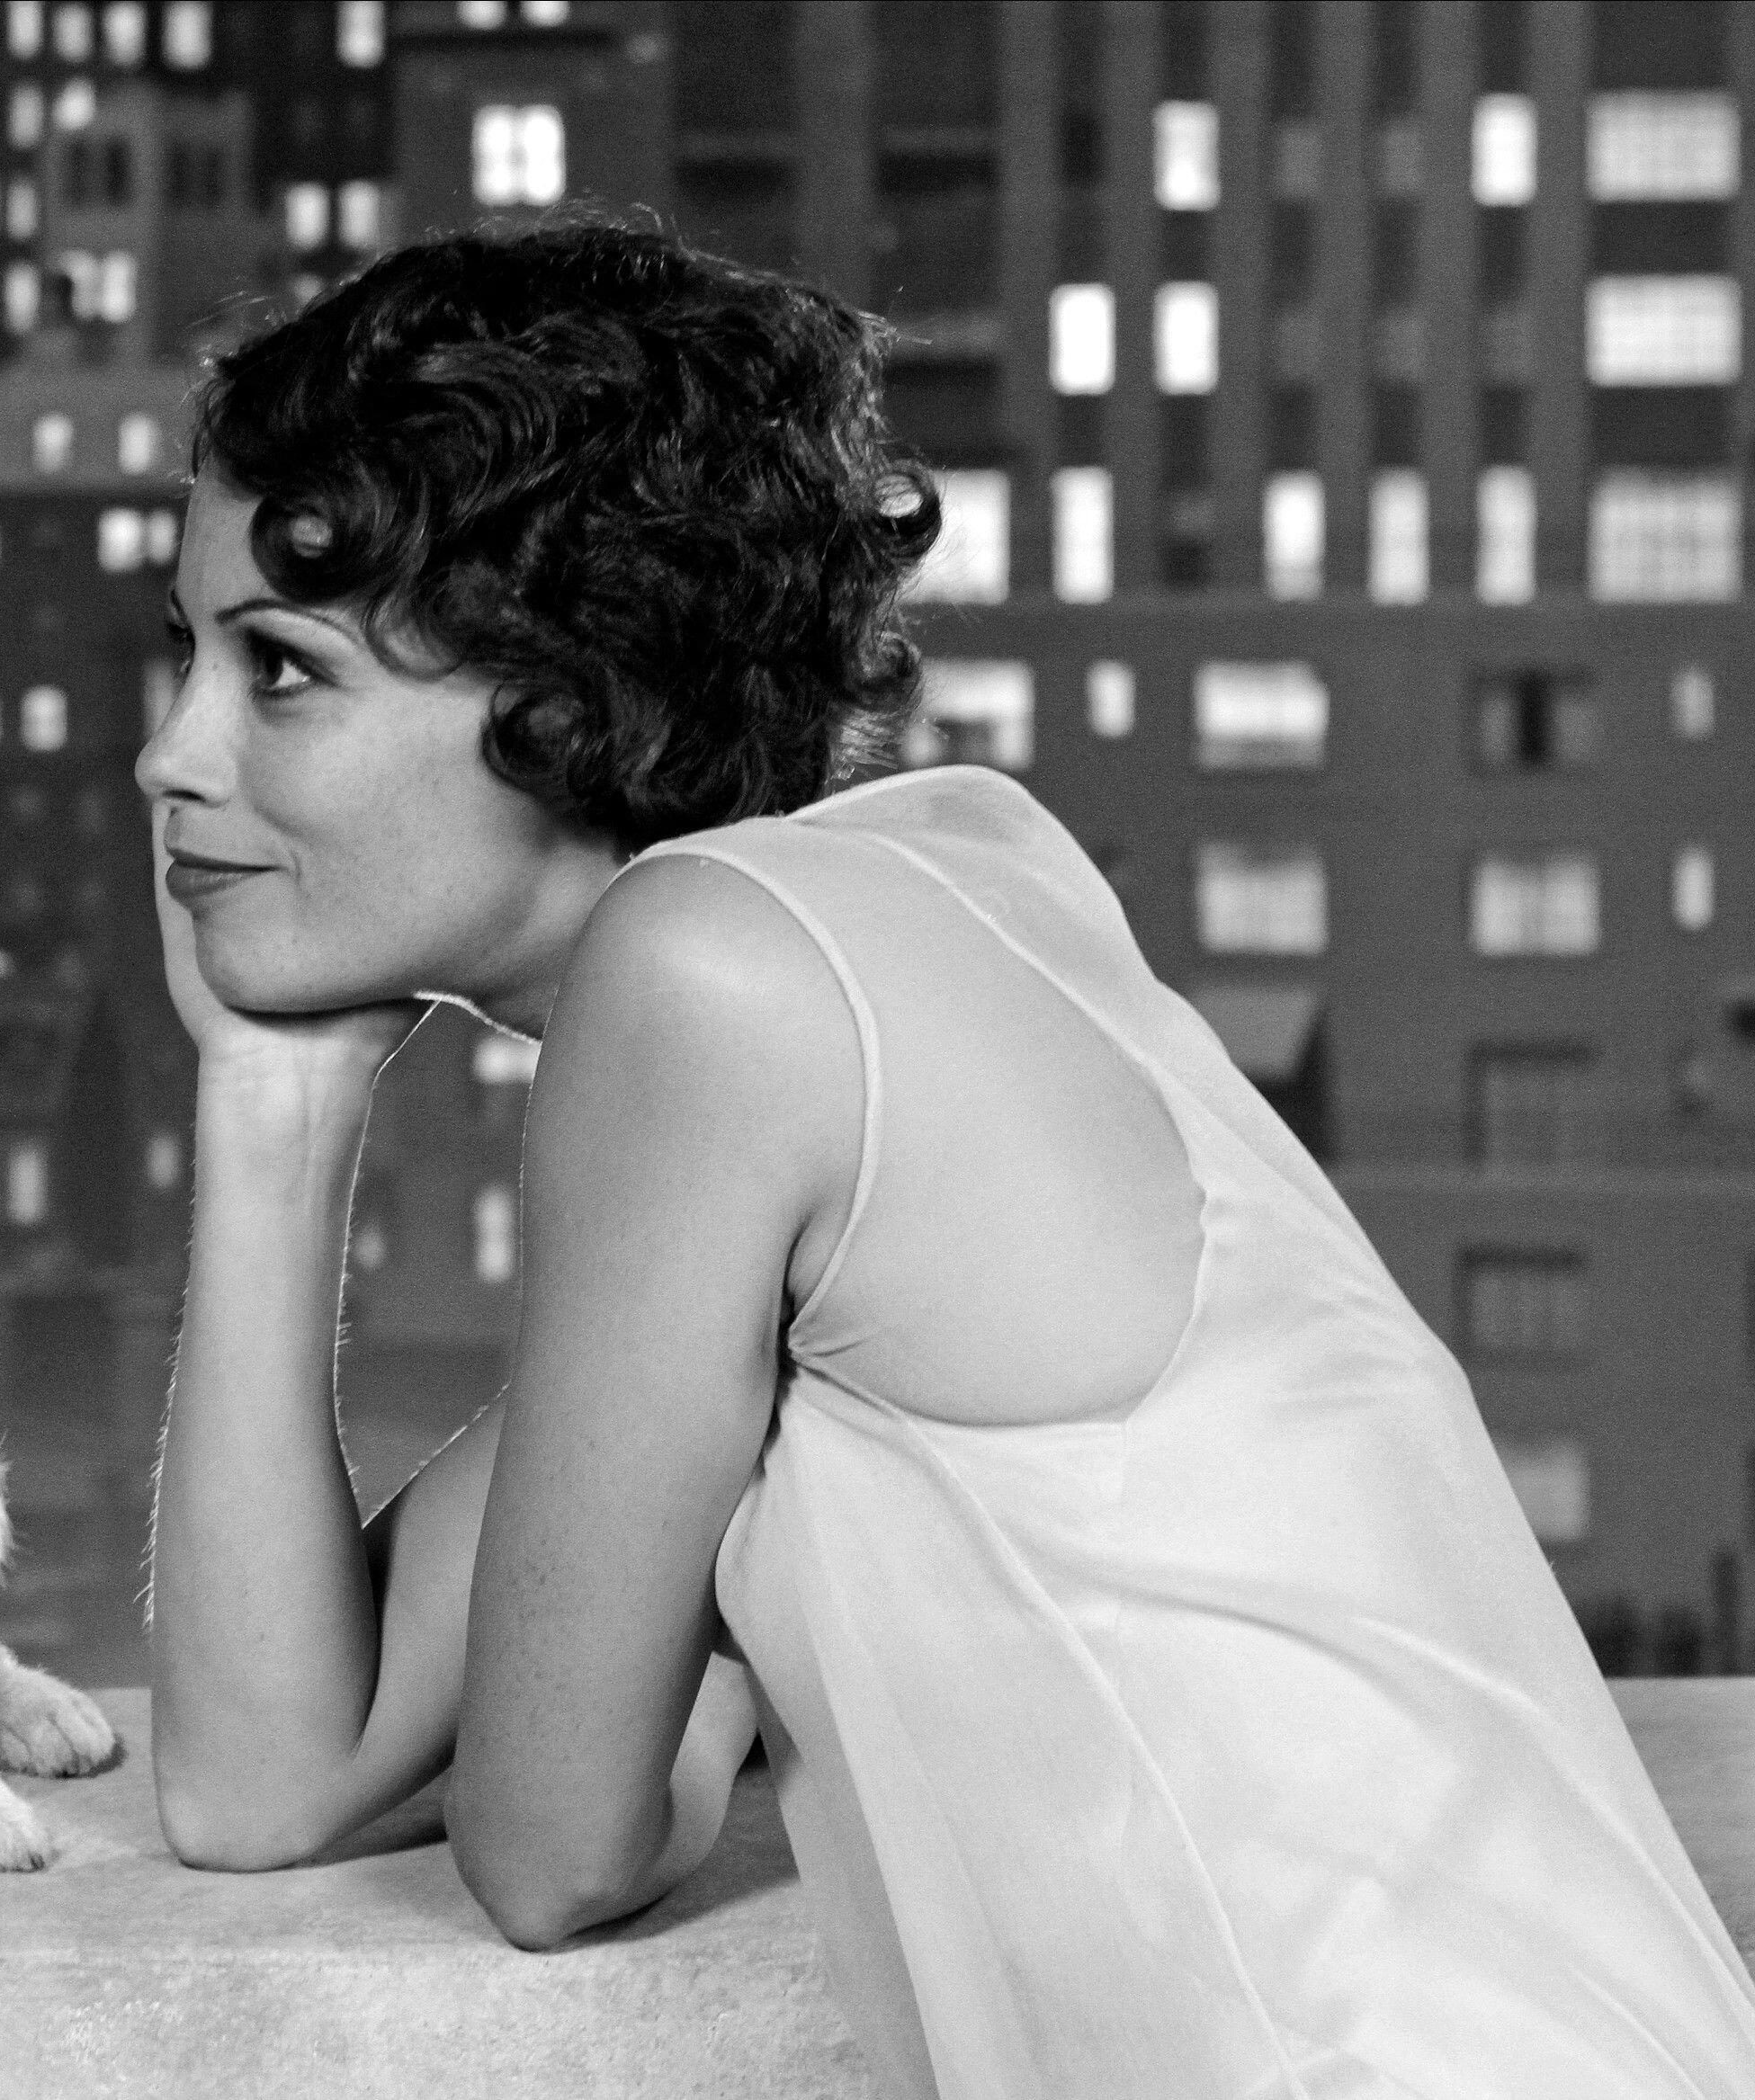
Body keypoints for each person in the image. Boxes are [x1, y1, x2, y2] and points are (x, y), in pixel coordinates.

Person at [136, 219, 1755, 2098]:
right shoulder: (937, 885)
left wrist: (683, 1716)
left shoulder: (715, 979)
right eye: (183, 655)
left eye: (279, 672)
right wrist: (276, 1106)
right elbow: (266, 1781)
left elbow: (542, 1850)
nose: (169, 756)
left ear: (570, 688)